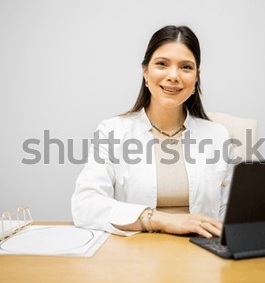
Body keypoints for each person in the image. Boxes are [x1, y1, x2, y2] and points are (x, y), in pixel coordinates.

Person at [71, 25, 232, 238]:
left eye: (186, 67)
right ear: (145, 72)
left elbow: (230, 212)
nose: (173, 76)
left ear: (196, 79)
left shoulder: (217, 135)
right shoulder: (112, 131)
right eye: (162, 64)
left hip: (202, 255)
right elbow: (85, 206)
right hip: (136, 256)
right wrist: (161, 220)